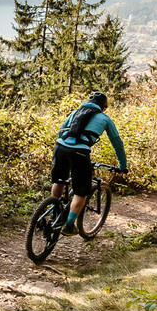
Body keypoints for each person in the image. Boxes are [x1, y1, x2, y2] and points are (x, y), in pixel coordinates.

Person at [51, 91, 127, 234]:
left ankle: (54, 213)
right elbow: (117, 143)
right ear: (103, 107)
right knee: (81, 192)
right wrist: (122, 166)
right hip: (80, 152)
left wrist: (62, 148)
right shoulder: (105, 118)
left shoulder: (75, 112)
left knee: (59, 181)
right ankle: (68, 226)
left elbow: (61, 131)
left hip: (60, 147)